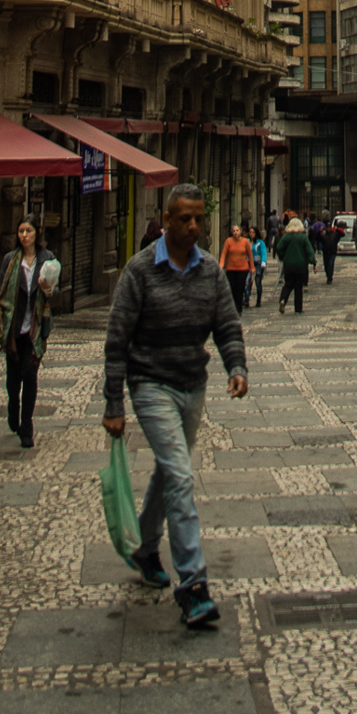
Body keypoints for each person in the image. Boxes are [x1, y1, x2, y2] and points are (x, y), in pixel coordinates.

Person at [102, 181, 248, 630]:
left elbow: (226, 324)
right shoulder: (140, 270)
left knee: (170, 471)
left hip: (192, 384)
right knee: (181, 475)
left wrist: (236, 366)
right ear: (166, 220)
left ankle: (145, 549)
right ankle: (194, 586)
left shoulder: (210, 271)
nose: (194, 227)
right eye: (185, 219)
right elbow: (117, 339)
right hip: (150, 384)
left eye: (199, 219)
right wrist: (113, 402)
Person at [0, 216, 56, 447]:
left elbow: (54, 291)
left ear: (37, 233)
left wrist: (48, 289)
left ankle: (27, 426)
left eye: (28, 231)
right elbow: (0, 294)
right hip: (13, 329)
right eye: (21, 231)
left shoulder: (47, 259)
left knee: (30, 375)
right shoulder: (10, 260)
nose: (24, 235)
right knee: (13, 380)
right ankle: (13, 407)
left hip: (35, 329)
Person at [276, 216, 315, 313]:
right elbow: (310, 251)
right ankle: (298, 308)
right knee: (298, 286)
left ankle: (283, 300)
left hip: (288, 265)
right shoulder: (303, 237)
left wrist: (283, 257)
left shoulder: (286, 237)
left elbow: (279, 247)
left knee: (288, 284)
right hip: (300, 266)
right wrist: (313, 262)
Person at [218, 224, 252, 315]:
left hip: (243, 268)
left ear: (240, 231)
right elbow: (224, 253)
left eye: (237, 231)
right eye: (234, 231)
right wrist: (221, 264)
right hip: (231, 268)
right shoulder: (228, 241)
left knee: (240, 288)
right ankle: (233, 308)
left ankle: (239, 308)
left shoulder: (245, 242)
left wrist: (252, 267)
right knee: (232, 288)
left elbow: (250, 255)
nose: (235, 233)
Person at [250, 228, 267, 307]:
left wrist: (263, 262)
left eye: (253, 232)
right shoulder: (247, 241)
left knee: (258, 281)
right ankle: (246, 298)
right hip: (249, 262)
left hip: (258, 263)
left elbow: (263, 252)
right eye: (250, 232)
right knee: (248, 281)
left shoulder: (260, 242)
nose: (251, 234)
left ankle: (258, 301)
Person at [321, 219, 340, 285]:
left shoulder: (334, 234)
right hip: (326, 252)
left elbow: (341, 234)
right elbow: (317, 238)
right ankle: (328, 275)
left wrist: (337, 229)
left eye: (329, 227)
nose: (329, 229)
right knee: (326, 265)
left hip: (332, 252)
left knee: (331, 264)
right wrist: (319, 231)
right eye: (327, 227)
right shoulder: (323, 235)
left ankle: (330, 277)